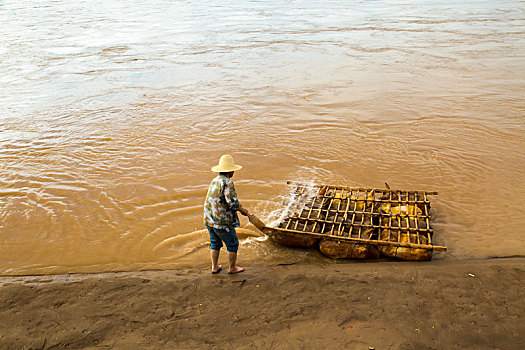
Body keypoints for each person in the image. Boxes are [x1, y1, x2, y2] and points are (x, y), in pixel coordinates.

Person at [203, 154, 249, 274]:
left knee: (215, 243)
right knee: (233, 244)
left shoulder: (215, 180)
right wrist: (242, 210)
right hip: (221, 222)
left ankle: (214, 267)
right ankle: (232, 268)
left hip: (209, 219)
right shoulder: (228, 182)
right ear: (231, 171)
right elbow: (232, 203)